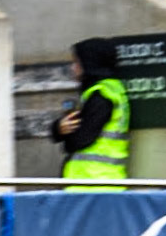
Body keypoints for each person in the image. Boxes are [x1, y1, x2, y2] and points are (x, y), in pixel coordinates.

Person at [52, 38, 129, 190]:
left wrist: (60, 132)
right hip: (104, 182)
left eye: (77, 62)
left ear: (90, 63)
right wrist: (59, 129)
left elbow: (80, 140)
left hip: (91, 183)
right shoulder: (113, 91)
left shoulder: (101, 95)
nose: (73, 68)